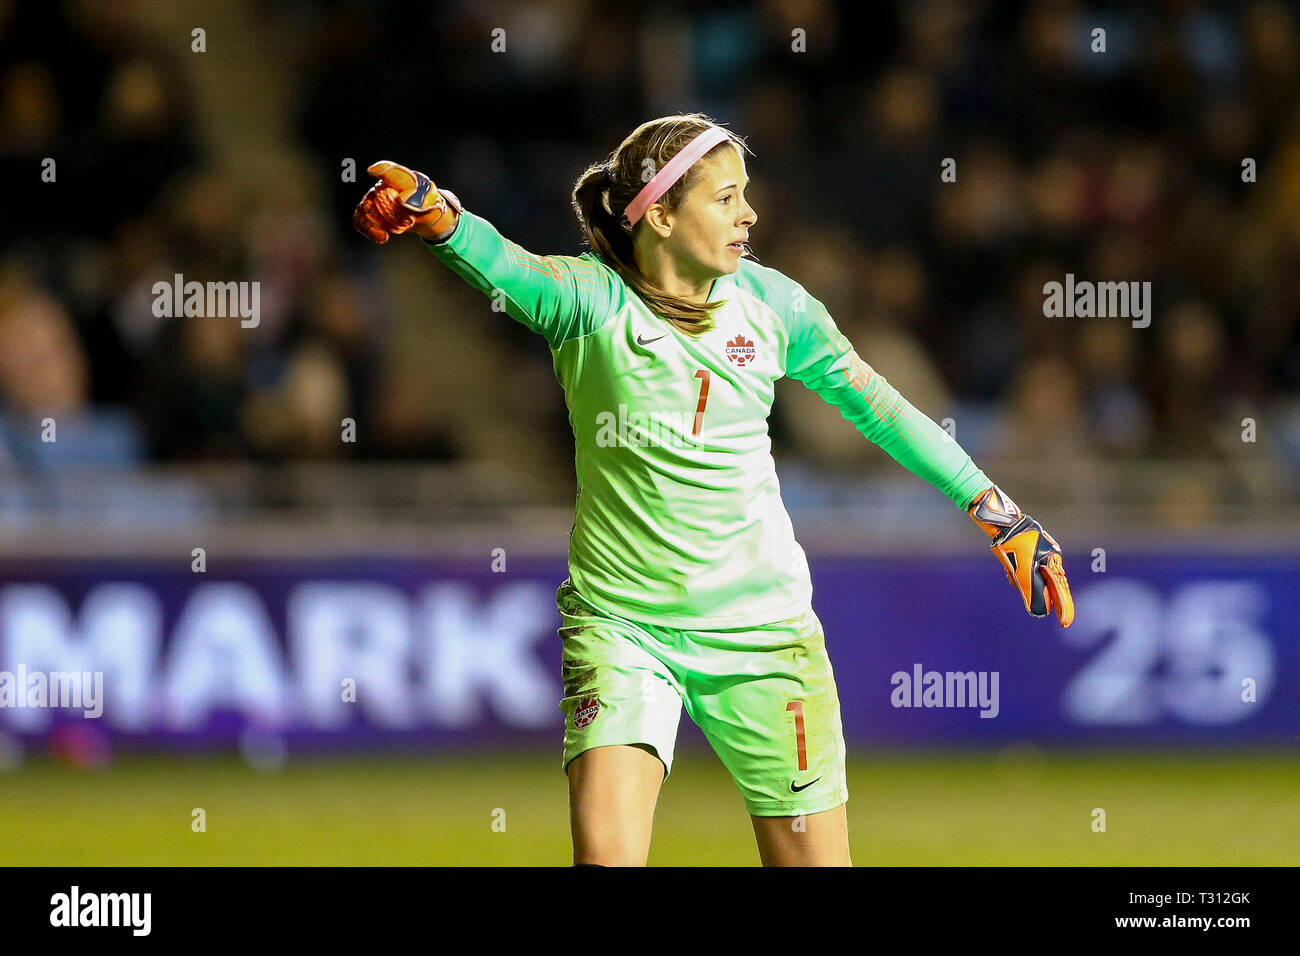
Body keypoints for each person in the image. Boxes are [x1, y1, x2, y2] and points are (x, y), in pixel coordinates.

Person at [352, 113, 1075, 867]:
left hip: (764, 633)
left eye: (746, 195)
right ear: (660, 214)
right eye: (726, 198)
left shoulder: (777, 306)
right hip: (623, 627)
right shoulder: (592, 304)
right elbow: (509, 267)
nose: (749, 214)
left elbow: (882, 408)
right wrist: (438, 216)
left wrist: (999, 512)